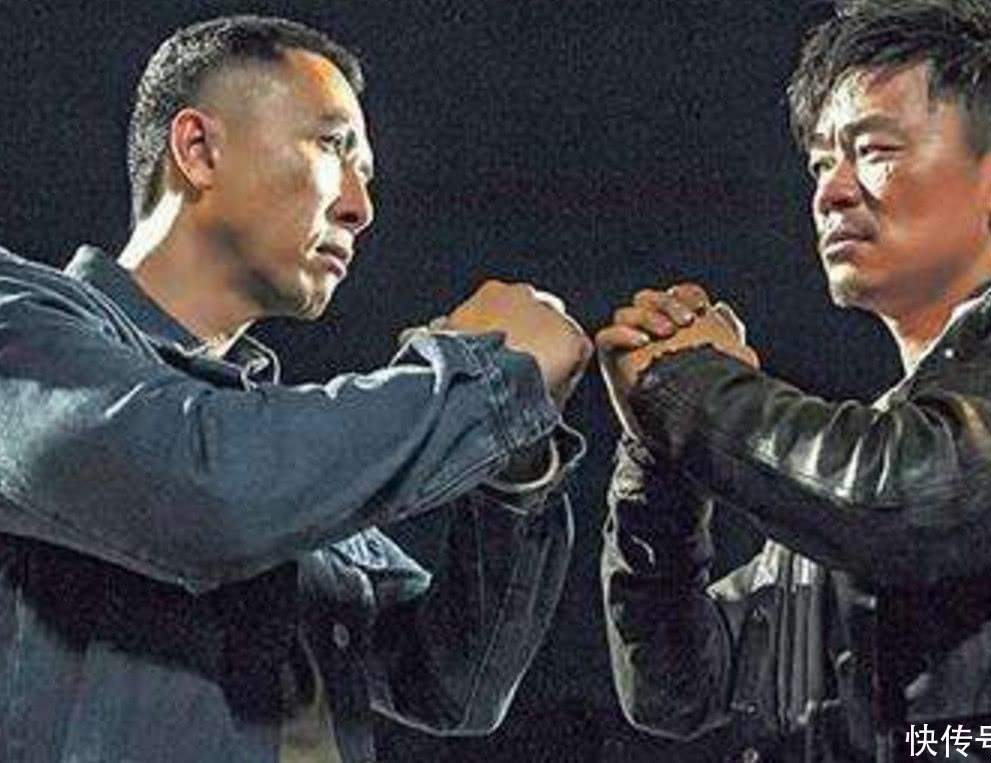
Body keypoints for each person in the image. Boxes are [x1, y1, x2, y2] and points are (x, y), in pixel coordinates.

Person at [0, 15, 591, 763]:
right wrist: (484, 379)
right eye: (333, 146)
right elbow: (205, 489)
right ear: (198, 149)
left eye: (366, 174)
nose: (360, 207)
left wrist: (512, 468)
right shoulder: (18, 324)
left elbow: (453, 686)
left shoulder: (275, 451)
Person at [598, 1, 991, 760]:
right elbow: (674, 690)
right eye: (820, 163)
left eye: (873, 150)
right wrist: (655, 457)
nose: (831, 191)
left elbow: (905, 499)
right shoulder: (839, 485)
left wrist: (683, 381)